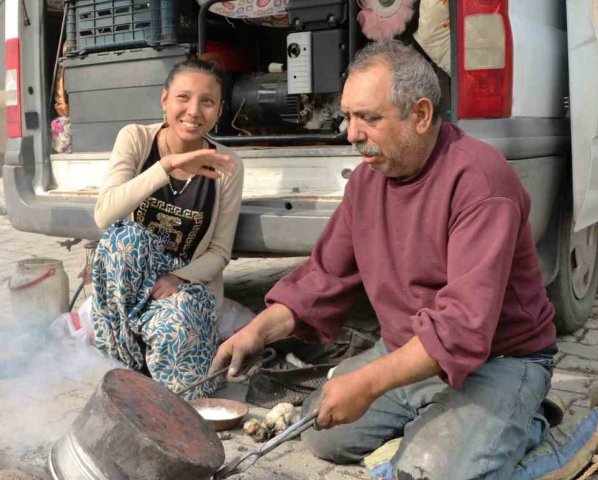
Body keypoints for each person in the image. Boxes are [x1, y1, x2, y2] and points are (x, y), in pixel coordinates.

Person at [211, 39, 557, 478]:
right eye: (349, 117)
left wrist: (369, 382)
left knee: (429, 471)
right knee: (321, 431)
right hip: (408, 349)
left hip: (500, 361)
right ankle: (447, 421)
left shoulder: (481, 182)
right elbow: (323, 277)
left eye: (368, 119)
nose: (352, 134)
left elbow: (463, 328)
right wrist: (256, 332)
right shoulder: (365, 183)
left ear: (421, 115)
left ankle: (530, 422)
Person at [90, 57, 244, 400]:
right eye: (183, 98)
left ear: (219, 111)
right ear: (164, 100)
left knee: (187, 393)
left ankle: (160, 369)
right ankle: (126, 364)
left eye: (207, 102)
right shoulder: (135, 138)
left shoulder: (227, 165)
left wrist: (179, 279)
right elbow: (104, 215)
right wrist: (167, 166)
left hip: (183, 285)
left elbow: (220, 252)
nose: (193, 111)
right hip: (134, 277)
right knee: (122, 238)